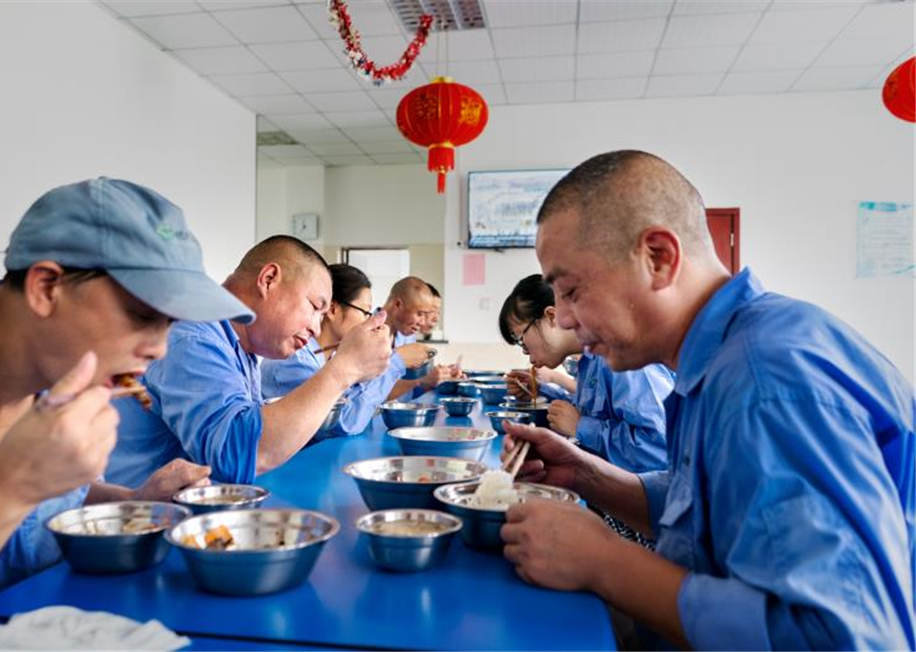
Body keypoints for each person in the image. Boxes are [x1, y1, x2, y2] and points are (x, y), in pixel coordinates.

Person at [500, 151, 915, 650]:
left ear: (658, 257)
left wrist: (604, 562)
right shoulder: (723, 358)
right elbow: (713, 511)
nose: (563, 320)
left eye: (571, 290)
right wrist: (587, 475)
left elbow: (840, 638)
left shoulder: (765, 382)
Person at [0, 178, 252, 635]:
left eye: (171, 324)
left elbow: (45, 507)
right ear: (47, 287)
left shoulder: (55, 377)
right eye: (143, 315)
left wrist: (134, 501)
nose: (159, 350)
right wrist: (6, 487)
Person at [105, 236, 392, 489]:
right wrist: (343, 369)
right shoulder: (194, 336)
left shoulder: (240, 348)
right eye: (315, 307)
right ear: (268, 279)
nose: (317, 328)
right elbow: (240, 454)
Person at [499, 273, 672, 473]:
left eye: (521, 339)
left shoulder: (622, 357)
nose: (527, 354)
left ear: (551, 317)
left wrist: (581, 427)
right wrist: (542, 390)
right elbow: (597, 410)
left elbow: (659, 448)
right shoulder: (589, 361)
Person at [260, 264, 431, 442]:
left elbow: (352, 400)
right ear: (333, 310)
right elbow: (343, 423)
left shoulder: (331, 356)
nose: (370, 322)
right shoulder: (294, 361)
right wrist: (397, 361)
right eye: (365, 312)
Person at [382, 276, 460, 400]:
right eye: (420, 314)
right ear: (398, 304)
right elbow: (374, 394)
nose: (423, 322)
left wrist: (442, 377)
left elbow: (408, 393)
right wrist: (419, 380)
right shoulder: (367, 336)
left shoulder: (406, 335)